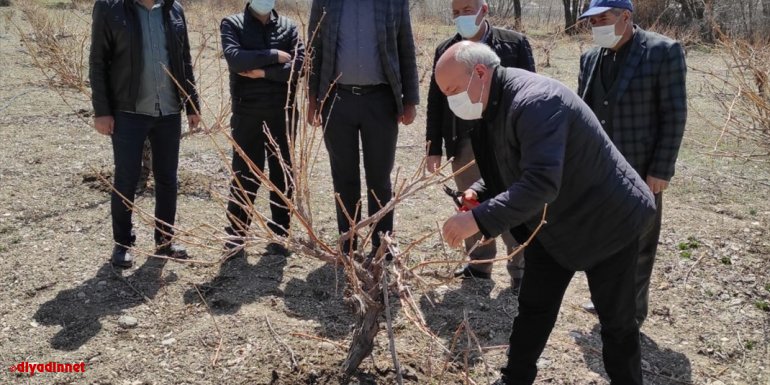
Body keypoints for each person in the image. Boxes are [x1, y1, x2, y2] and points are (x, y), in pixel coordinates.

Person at [436, 41, 655, 385]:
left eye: (452, 90)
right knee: (534, 307)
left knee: (617, 323)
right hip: (552, 222)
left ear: (479, 73)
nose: (451, 101)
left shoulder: (537, 102)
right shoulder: (491, 104)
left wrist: (476, 221)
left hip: (606, 219)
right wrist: (477, 193)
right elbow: (510, 165)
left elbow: (539, 184)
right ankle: (515, 378)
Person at [576, 0, 687, 327]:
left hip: (642, 169)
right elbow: (584, 114)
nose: (598, 26)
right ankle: (605, 299)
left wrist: (661, 169)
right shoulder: (590, 58)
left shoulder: (662, 52)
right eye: (592, 21)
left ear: (626, 17)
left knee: (639, 243)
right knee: (602, 237)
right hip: (601, 169)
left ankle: (631, 312)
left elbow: (674, 114)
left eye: (604, 19)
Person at [426, 0, 535, 286]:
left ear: (484, 10)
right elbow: (436, 101)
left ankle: (521, 268)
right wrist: (433, 147)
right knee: (469, 202)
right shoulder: (445, 50)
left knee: (511, 202)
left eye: (467, 10)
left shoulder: (514, 44)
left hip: (506, 140)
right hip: (463, 141)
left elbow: (530, 92)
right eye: (456, 13)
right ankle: (478, 264)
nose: (461, 17)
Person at [90, 0, 200, 268]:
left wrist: (192, 104)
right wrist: (102, 111)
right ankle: (123, 244)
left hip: (169, 111)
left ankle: (164, 241)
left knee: (167, 179)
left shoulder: (174, 10)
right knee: (126, 179)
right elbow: (98, 60)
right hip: (128, 112)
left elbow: (183, 59)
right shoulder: (110, 7)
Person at [307, 0, 419, 255]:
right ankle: (348, 245)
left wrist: (410, 99)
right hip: (336, 99)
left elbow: (405, 46)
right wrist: (313, 100)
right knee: (343, 176)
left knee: (380, 177)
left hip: (381, 100)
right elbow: (315, 47)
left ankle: (383, 246)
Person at [220, 0, 305, 258]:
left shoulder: (289, 27)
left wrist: (262, 73)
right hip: (248, 112)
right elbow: (236, 59)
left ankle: (280, 233)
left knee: (282, 173)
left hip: (283, 113)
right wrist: (274, 56)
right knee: (245, 173)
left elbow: (299, 67)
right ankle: (236, 234)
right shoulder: (232, 24)